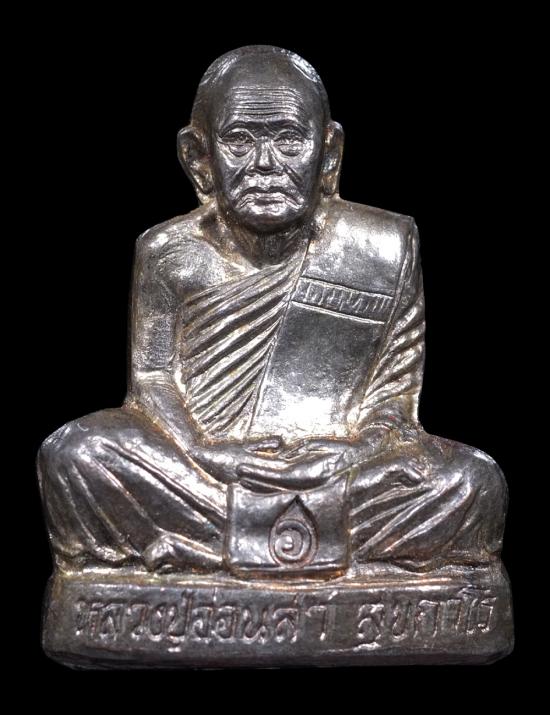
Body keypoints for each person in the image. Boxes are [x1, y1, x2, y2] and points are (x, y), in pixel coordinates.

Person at [37, 46, 507, 575]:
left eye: (289, 140)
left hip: (338, 468)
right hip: (206, 469)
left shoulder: (384, 248)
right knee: (76, 454)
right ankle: (299, 543)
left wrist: (354, 452)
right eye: (240, 140)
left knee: (471, 482)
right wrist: (204, 451)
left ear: (328, 154)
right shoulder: (167, 253)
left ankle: (212, 548)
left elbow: (393, 400)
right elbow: (153, 383)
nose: (265, 164)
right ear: (198, 158)